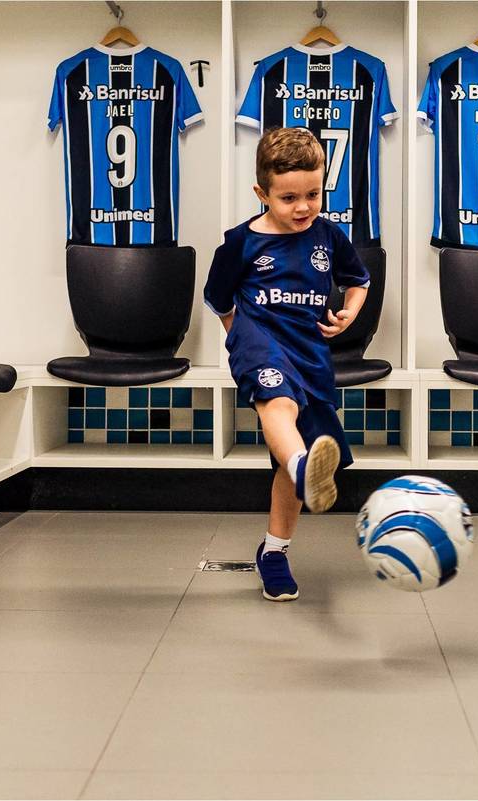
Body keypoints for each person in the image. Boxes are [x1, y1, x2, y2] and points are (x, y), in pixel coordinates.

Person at [203, 127, 370, 602]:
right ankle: (303, 468)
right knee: (277, 402)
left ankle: (274, 551)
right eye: (289, 197)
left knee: (287, 459)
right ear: (262, 193)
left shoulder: (328, 235)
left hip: (310, 354)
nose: (303, 206)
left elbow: (359, 280)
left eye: (313, 194)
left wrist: (349, 314)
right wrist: (241, 338)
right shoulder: (239, 243)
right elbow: (217, 299)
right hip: (259, 341)